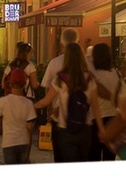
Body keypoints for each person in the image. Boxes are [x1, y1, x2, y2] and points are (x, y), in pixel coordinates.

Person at [34, 41, 104, 162]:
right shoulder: (89, 78)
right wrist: (102, 128)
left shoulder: (61, 79)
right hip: (85, 128)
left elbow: (45, 101)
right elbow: (96, 107)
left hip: (66, 129)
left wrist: (30, 106)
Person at [40, 28, 80, 161]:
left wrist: (50, 110)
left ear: (62, 42)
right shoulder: (85, 63)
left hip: (59, 116)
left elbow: (46, 87)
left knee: (59, 154)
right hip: (82, 116)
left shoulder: (54, 63)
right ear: (77, 40)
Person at [0, 67, 37, 164]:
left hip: (8, 143)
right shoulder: (28, 103)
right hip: (23, 142)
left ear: (10, 83)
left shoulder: (3, 101)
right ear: (24, 84)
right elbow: (30, 127)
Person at [86, 42, 120, 160]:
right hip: (114, 118)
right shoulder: (117, 74)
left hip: (97, 118)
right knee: (109, 156)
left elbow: (91, 100)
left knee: (93, 155)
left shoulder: (95, 77)